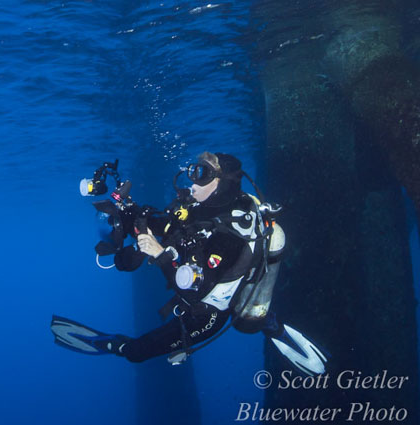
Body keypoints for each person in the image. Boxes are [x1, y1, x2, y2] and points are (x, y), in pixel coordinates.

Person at [52, 151, 327, 375]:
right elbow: (172, 227)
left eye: (202, 175)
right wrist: (132, 215)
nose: (192, 182)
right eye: (194, 172)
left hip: (207, 313)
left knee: (136, 353)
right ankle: (268, 324)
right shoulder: (205, 208)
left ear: (223, 183)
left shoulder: (231, 236)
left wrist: (160, 254)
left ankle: (113, 345)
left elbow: (196, 291)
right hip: (197, 283)